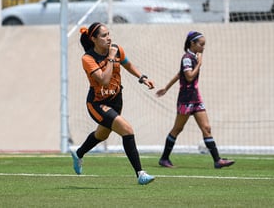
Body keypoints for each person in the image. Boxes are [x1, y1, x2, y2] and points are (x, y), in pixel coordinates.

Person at [71, 22, 155, 185]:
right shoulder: (88, 58)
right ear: (93, 39)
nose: (108, 38)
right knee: (127, 130)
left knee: (102, 134)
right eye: (104, 36)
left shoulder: (117, 49)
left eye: (109, 34)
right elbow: (104, 80)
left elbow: (127, 64)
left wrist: (142, 77)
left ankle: (79, 153)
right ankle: (140, 173)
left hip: (116, 100)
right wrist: (110, 57)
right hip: (97, 104)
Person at [156, 31, 235, 169]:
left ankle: (218, 160)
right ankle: (164, 158)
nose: (203, 47)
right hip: (186, 99)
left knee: (206, 128)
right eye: (201, 44)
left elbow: (179, 74)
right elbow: (189, 77)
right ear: (192, 43)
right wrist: (199, 64)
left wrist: (166, 88)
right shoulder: (187, 58)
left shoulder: (192, 57)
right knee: (178, 128)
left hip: (196, 98)